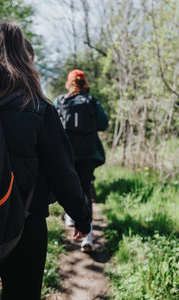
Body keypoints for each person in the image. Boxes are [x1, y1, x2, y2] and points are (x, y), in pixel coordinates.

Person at [0, 23, 91, 299]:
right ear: (26, 61)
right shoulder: (38, 108)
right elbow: (63, 173)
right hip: (23, 226)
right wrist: (82, 218)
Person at [54, 69, 109, 252]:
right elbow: (103, 124)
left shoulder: (60, 101)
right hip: (88, 154)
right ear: (84, 83)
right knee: (85, 191)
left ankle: (70, 216)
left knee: (68, 185)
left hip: (66, 153)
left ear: (68, 83)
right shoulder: (92, 102)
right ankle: (88, 237)